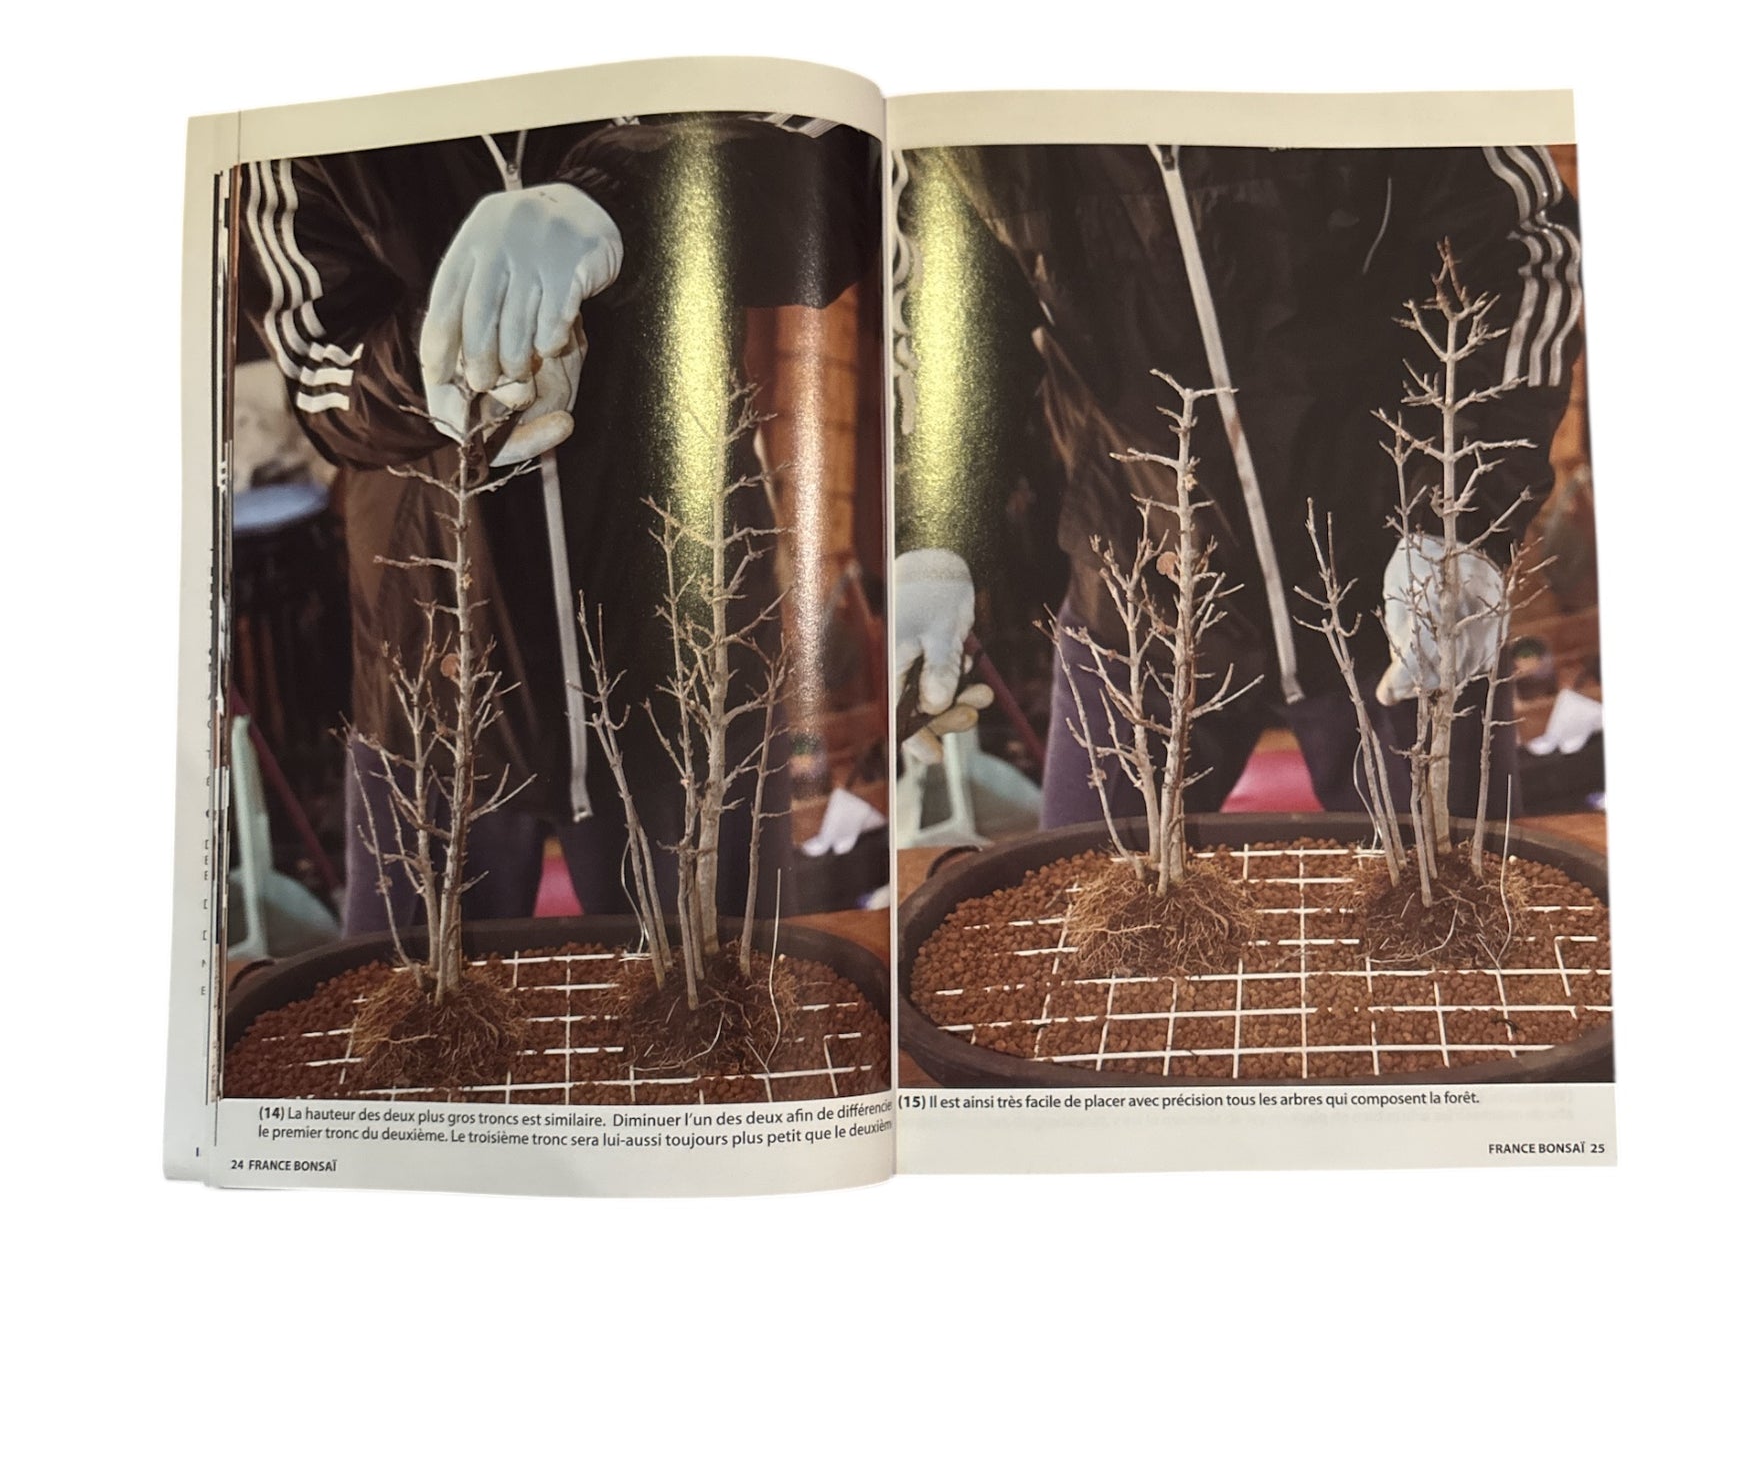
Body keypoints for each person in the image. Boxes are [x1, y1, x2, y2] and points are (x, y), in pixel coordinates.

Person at [238, 112, 879, 926]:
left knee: (722, 978)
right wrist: (443, 359)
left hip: (682, 639)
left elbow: (838, 176)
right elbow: (318, 366)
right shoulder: (308, 109)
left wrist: (618, 197)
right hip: (433, 658)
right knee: (413, 994)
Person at [893, 140, 1582, 823]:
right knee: (1081, 880)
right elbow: (948, 322)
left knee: (1455, 879)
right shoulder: (970, 120)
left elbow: (1523, 251)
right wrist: (935, 535)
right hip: (1136, 590)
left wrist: (1459, 520)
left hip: (1397, 585)